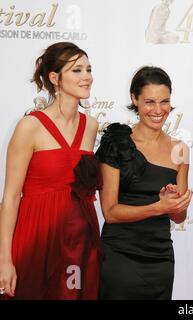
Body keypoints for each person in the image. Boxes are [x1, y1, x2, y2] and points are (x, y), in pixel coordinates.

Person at [0, 42, 101, 299]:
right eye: (77, 70)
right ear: (55, 78)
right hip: (36, 238)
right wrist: (4, 260)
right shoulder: (30, 126)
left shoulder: (91, 126)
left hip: (80, 239)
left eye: (88, 69)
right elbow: (11, 197)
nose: (87, 76)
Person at [95, 66, 192, 299]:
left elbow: (179, 217)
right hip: (120, 256)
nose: (158, 110)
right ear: (134, 99)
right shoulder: (116, 143)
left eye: (164, 102)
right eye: (149, 102)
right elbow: (110, 212)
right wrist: (158, 207)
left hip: (160, 259)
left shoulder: (180, 149)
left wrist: (174, 204)